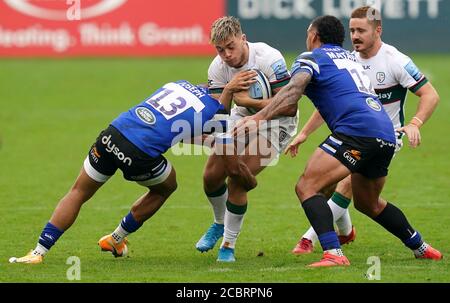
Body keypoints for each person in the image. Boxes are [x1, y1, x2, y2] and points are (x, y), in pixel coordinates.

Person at [235, 15, 442, 267]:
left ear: (313, 36)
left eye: (308, 33)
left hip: (357, 131)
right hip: (387, 133)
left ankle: (334, 253)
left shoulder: (310, 58)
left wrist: (258, 117)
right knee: (369, 204)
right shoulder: (350, 58)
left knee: (307, 187)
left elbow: (292, 93)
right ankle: (420, 246)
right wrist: (303, 132)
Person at [10, 80, 256, 264]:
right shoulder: (216, 112)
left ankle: (38, 252)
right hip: (139, 152)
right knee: (166, 186)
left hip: (113, 133)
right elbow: (227, 151)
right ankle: (116, 237)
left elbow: (175, 126)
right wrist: (248, 178)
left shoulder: (177, 84)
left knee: (78, 191)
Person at [291, 6, 440, 254]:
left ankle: (311, 240)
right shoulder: (349, 59)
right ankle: (415, 245)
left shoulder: (395, 60)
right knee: (365, 201)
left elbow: (430, 94)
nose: (355, 36)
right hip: (356, 132)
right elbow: (331, 102)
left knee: (342, 184)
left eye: (361, 30)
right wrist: (305, 132)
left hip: (388, 134)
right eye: (351, 30)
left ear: (378, 30)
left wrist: (415, 123)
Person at [194, 16, 298, 262]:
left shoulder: (269, 58)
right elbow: (219, 115)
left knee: (238, 180)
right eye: (220, 49)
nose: (226, 55)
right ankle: (219, 223)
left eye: (231, 46)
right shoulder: (217, 68)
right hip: (240, 117)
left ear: (243, 39)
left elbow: (290, 106)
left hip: (277, 123)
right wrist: (229, 90)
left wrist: (250, 103)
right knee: (210, 177)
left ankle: (228, 246)